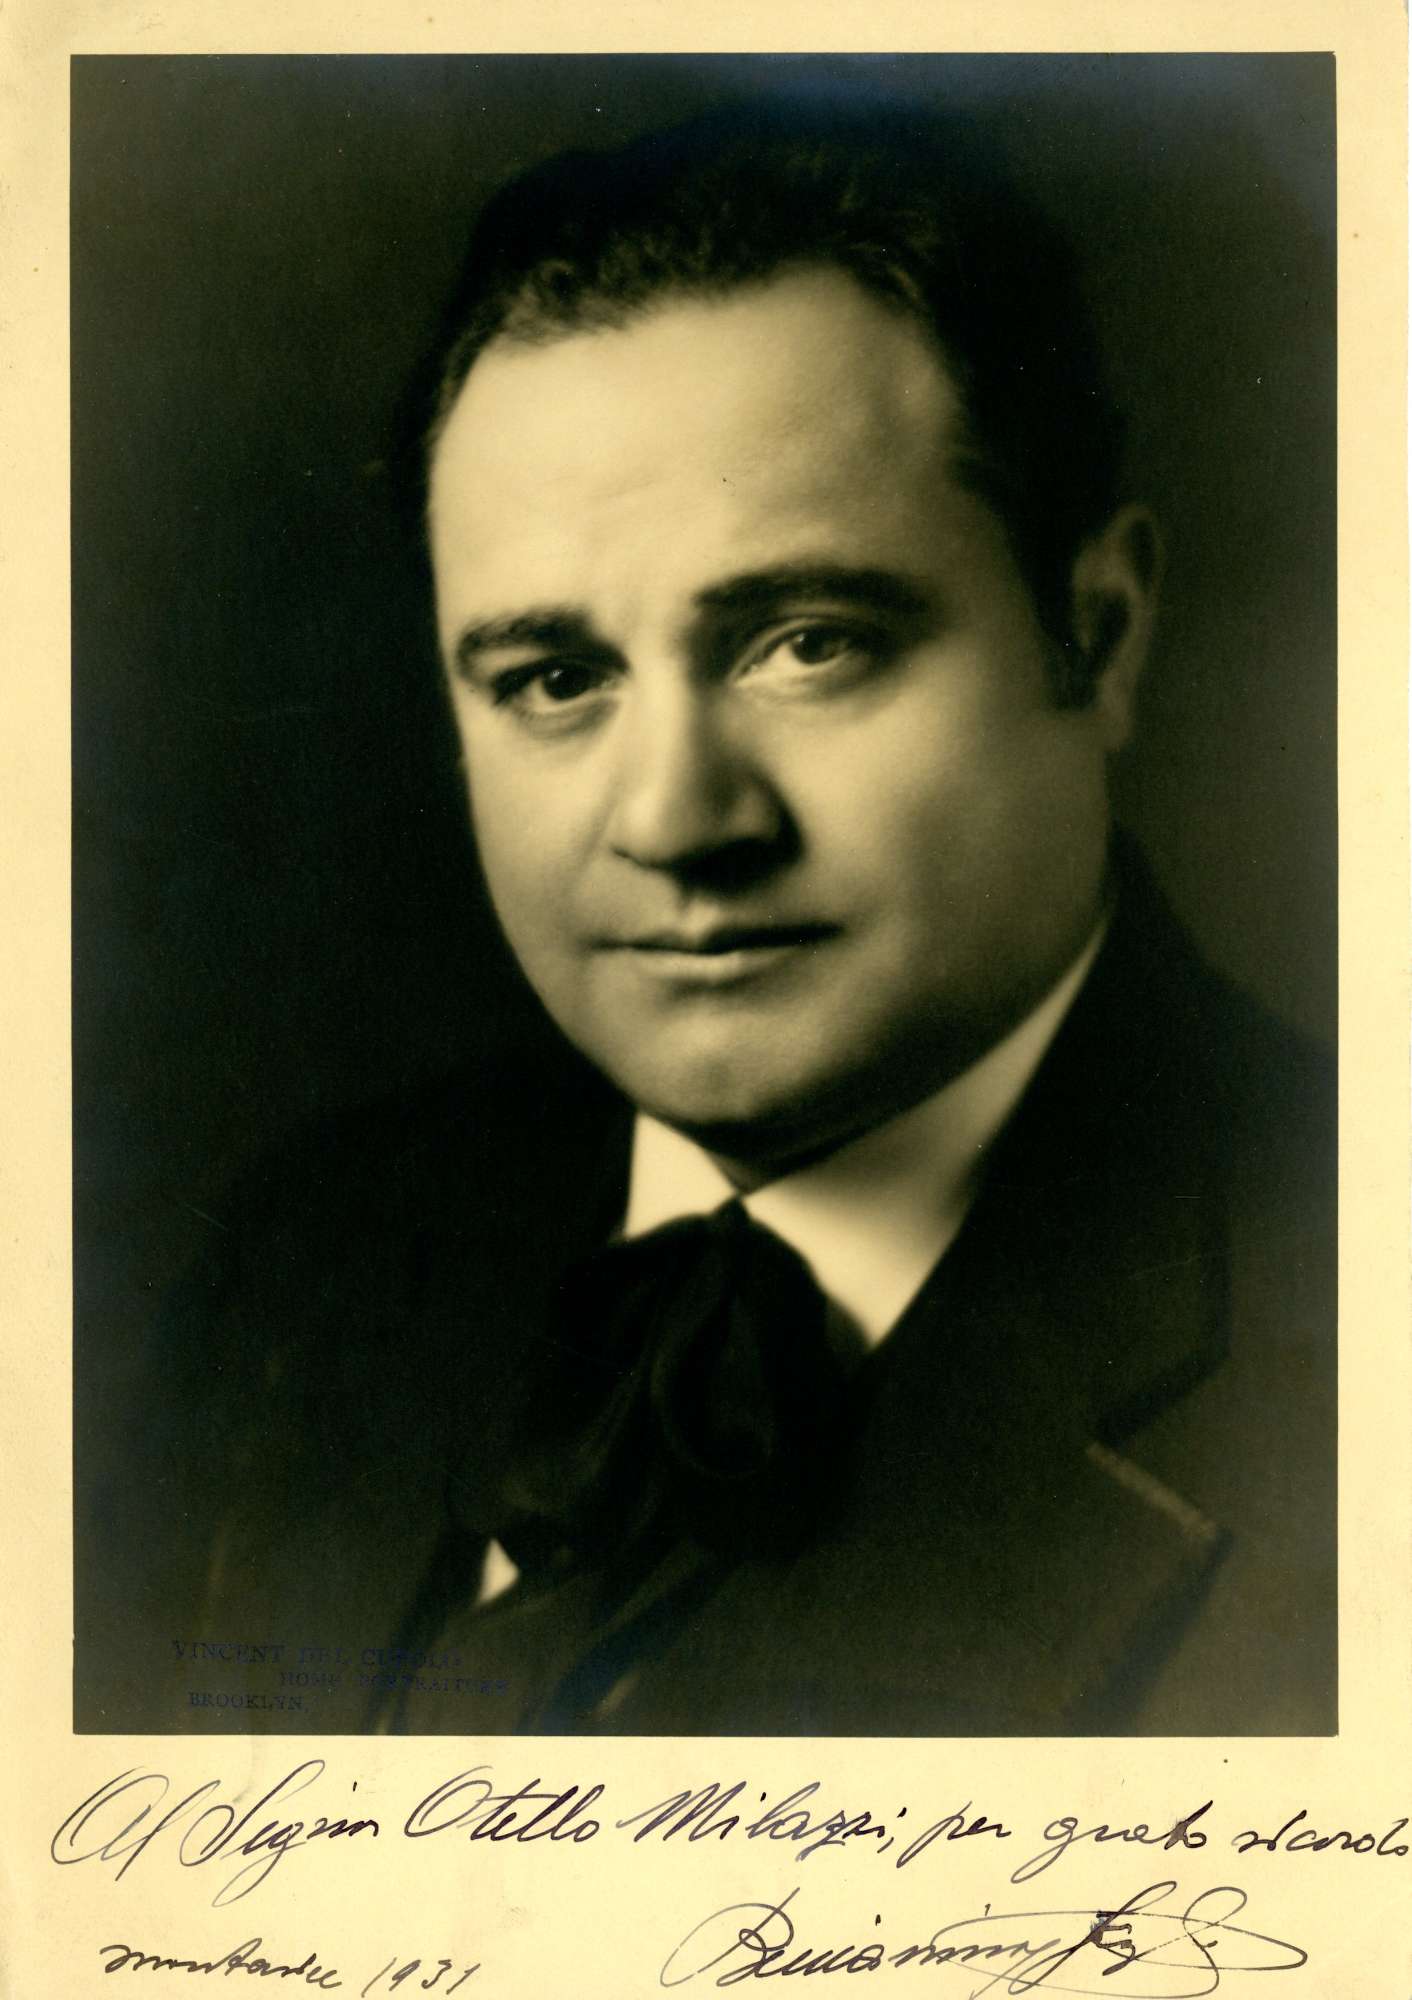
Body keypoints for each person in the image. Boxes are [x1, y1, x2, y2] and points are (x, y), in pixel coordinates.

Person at [108, 98, 1334, 1737]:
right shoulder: (305, 1271)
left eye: (811, 643)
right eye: (557, 678)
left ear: (1097, 637)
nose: (678, 822)